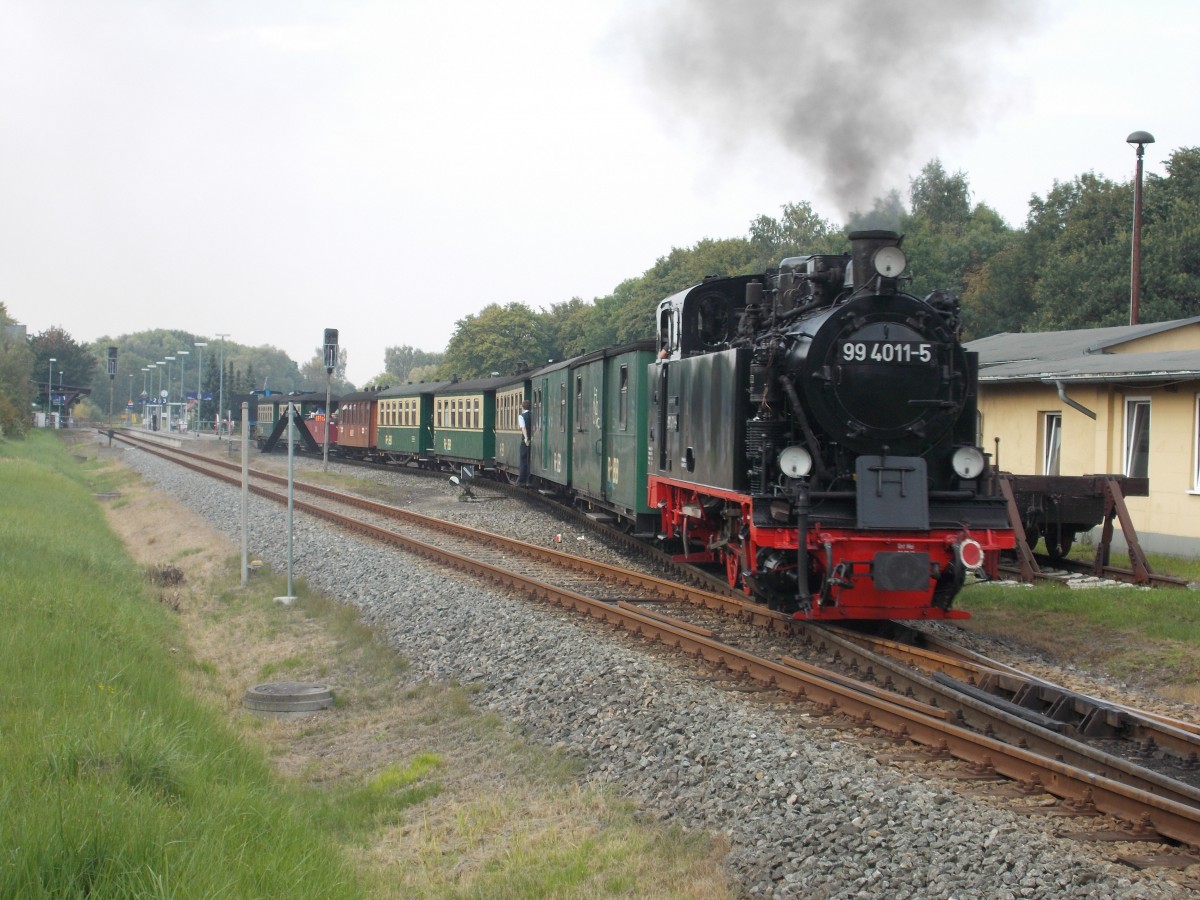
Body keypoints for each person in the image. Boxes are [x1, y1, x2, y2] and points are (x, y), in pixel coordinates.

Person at [517, 400, 532, 487]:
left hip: (526, 440)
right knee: (530, 460)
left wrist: (526, 438)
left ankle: (522, 480)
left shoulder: (521, 416)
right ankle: (529, 479)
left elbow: (523, 428)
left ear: (522, 407)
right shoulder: (533, 415)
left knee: (523, 460)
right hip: (534, 439)